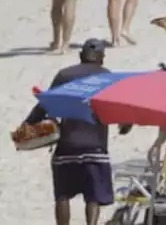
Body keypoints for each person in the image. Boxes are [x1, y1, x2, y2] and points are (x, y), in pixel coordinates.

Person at [25, 40, 130, 225]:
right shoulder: (106, 77)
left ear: (81, 55)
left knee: (63, 194)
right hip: (95, 145)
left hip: (67, 143)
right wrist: (126, 125)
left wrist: (27, 125)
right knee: (92, 196)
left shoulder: (64, 75)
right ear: (101, 58)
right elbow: (122, 110)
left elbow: (45, 103)